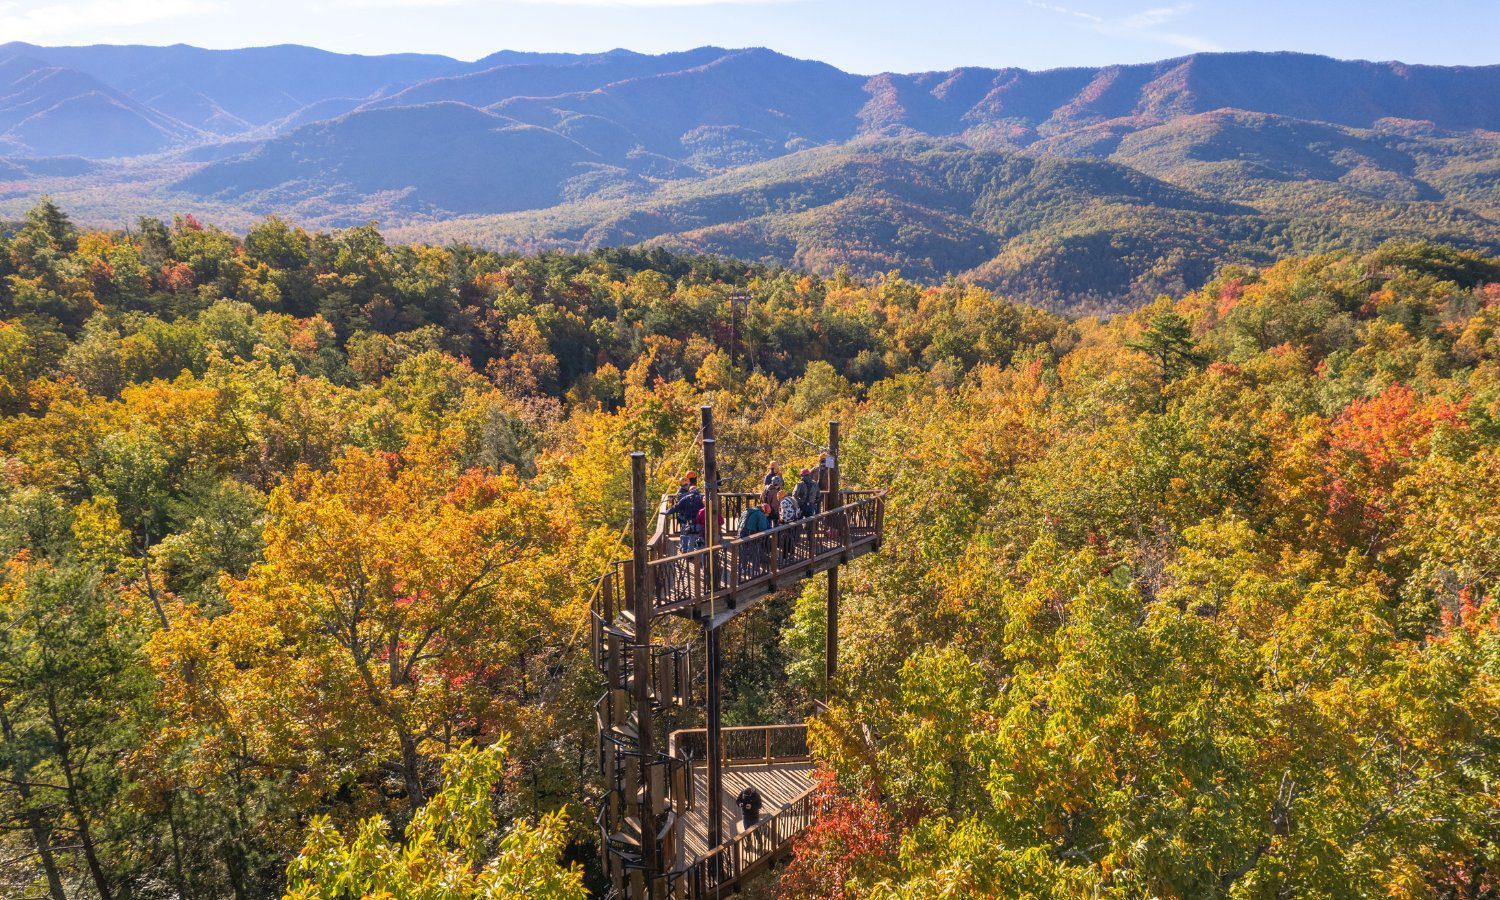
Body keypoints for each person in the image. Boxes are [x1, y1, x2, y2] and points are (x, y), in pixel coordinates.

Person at [668, 479, 704, 552]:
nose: (687, 486)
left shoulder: (687, 495)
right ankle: (687, 549)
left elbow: (678, 505)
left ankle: (687, 550)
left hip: (688, 518)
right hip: (686, 517)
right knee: (688, 535)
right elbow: (679, 505)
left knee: (688, 535)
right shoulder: (685, 495)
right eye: (686, 485)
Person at [738, 501, 772, 575]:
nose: (768, 515)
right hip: (752, 534)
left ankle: (743, 569)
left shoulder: (747, 511)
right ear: (765, 511)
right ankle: (755, 570)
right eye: (768, 513)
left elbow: (739, 522)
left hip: (741, 533)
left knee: (743, 551)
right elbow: (763, 528)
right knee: (755, 551)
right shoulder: (760, 515)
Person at [778, 489, 799, 558]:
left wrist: (781, 521)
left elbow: (785, 514)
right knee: (790, 538)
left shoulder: (784, 502)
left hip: (788, 522)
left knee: (785, 539)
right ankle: (792, 554)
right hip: (794, 520)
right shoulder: (792, 499)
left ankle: (785, 555)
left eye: (778, 498)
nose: (778, 499)